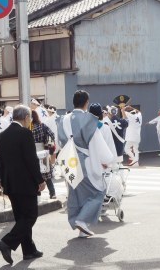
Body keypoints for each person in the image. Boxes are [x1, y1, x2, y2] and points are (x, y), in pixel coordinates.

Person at [57, 90, 114, 237]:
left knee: (75, 193)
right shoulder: (88, 120)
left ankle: (80, 226)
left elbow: (59, 141)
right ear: (86, 102)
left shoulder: (63, 119)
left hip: (68, 159)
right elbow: (97, 142)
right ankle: (82, 221)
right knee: (98, 192)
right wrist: (107, 160)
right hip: (84, 160)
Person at [0, 105, 46, 265]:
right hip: (26, 184)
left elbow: (0, 163)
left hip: (10, 184)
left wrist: (4, 183)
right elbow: (31, 160)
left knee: (21, 218)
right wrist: (40, 180)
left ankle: (29, 250)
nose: (30, 121)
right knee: (30, 216)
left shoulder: (2, 135)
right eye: (30, 118)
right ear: (25, 118)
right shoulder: (25, 133)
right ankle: (7, 242)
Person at [31, 110, 57, 199]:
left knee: (34, 172)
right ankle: (52, 193)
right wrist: (47, 144)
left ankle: (37, 193)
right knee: (47, 174)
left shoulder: (27, 127)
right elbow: (52, 135)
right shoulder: (42, 126)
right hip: (43, 151)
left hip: (31, 152)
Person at [89, 103, 118, 168]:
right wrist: (112, 163)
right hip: (104, 164)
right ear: (100, 114)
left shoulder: (85, 128)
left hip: (89, 163)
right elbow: (110, 145)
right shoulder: (105, 128)